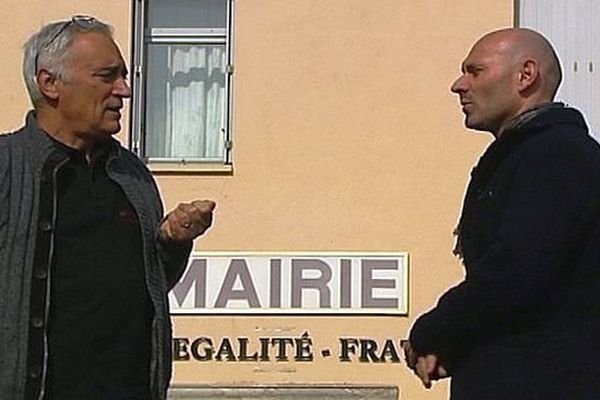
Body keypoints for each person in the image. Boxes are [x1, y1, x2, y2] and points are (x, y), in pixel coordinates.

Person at [0, 16, 216, 400]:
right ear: (50, 83)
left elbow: (152, 284)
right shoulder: (8, 167)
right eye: (107, 76)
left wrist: (171, 242)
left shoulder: (132, 176)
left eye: (125, 76)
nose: (125, 90)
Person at [403, 28, 600, 399]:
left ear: (525, 76)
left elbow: (517, 270)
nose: (458, 85)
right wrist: (459, 344)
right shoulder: (525, 156)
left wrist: (432, 331)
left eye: (475, 71)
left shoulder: (558, 156)